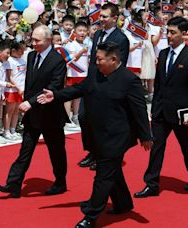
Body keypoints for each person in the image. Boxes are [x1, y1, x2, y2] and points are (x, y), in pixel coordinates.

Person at [37, 42, 153, 228]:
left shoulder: (129, 80)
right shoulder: (96, 74)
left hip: (116, 137)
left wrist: (146, 135)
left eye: (99, 59)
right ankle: (123, 204)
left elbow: (139, 110)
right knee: (113, 171)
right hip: (96, 134)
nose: (96, 62)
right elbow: (78, 89)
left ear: (113, 59)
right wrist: (55, 96)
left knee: (103, 175)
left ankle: (90, 216)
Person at [0, 25, 68, 198]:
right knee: (25, 150)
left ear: (49, 40)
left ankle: (60, 182)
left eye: (37, 40)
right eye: (32, 39)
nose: (33, 43)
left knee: (56, 151)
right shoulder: (31, 55)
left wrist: (31, 102)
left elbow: (54, 88)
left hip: (51, 114)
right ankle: (14, 184)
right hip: (32, 114)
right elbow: (30, 83)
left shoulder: (57, 60)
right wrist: (25, 100)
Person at [134, 16, 188, 198]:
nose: (169, 36)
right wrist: (154, 109)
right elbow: (159, 84)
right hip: (160, 112)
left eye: (173, 32)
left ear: (184, 33)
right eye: (167, 32)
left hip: (183, 115)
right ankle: (152, 184)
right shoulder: (163, 54)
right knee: (155, 148)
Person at [78, 2, 131, 170]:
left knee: (101, 121)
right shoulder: (98, 34)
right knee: (83, 116)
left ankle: (102, 155)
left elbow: (119, 65)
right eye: (100, 16)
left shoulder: (121, 39)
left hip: (108, 84)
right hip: (92, 81)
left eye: (105, 16)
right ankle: (92, 150)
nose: (101, 19)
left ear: (115, 18)